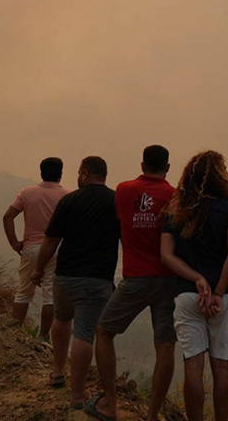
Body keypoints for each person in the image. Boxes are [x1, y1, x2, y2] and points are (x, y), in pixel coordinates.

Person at [86, 145, 178, 421]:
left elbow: (118, 219)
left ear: (142, 164)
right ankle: (152, 415)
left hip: (136, 277)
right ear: (168, 167)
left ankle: (110, 405)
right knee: (165, 346)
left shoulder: (125, 190)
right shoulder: (175, 197)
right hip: (168, 280)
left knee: (103, 333)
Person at [160, 150, 228, 421]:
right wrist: (218, 290)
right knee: (221, 367)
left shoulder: (175, 211)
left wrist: (196, 278)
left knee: (192, 366)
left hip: (187, 295)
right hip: (224, 297)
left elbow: (166, 255)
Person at [31, 156, 119, 411]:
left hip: (66, 275)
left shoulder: (69, 200)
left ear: (85, 172)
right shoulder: (115, 202)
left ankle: (58, 371)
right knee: (84, 333)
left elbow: (51, 240)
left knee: (61, 319)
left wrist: (38, 269)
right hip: (97, 278)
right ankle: (78, 396)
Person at [3, 156, 69, 344]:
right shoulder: (67, 195)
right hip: (57, 250)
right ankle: (43, 336)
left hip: (31, 248)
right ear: (61, 173)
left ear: (41, 172)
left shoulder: (27, 192)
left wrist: (15, 243)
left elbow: (8, 217)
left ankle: (13, 335)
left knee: (23, 291)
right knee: (50, 295)